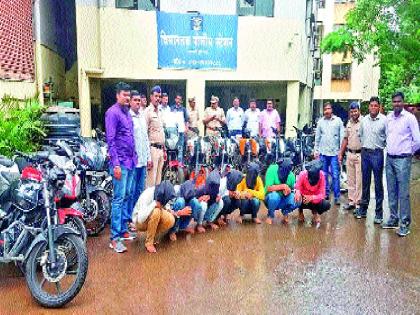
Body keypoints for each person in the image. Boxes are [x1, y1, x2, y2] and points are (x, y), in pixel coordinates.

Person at [105, 82, 137, 253]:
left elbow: (130, 137)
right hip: (120, 164)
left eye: (128, 95)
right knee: (118, 199)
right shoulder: (112, 113)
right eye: (124, 95)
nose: (127, 98)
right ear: (117, 95)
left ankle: (123, 229)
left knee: (127, 196)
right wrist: (116, 164)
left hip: (131, 162)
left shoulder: (128, 114)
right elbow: (110, 141)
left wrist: (136, 156)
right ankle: (114, 238)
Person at [382, 92, 420, 236]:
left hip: (403, 160)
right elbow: (387, 135)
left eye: (399, 101)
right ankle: (393, 218)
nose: (396, 104)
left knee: (403, 193)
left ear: (403, 102)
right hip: (390, 159)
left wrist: (407, 152)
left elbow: (417, 140)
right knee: (391, 190)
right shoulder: (389, 118)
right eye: (394, 101)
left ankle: (405, 223)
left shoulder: (409, 118)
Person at [354, 97, 387, 223]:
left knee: (378, 184)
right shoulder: (364, 120)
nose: (373, 108)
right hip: (365, 153)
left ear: (379, 107)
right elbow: (361, 135)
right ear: (368, 107)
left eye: (375, 105)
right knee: (365, 182)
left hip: (377, 154)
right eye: (371, 105)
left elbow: (387, 137)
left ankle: (379, 214)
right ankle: (363, 210)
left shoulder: (384, 121)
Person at [132, 181, 184, 253]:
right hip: (139, 222)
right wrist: (154, 204)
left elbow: (166, 207)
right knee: (156, 211)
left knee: (171, 219)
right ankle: (149, 243)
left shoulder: (161, 194)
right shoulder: (148, 194)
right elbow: (140, 219)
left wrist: (176, 213)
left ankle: (154, 236)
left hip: (150, 216)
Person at [127, 91, 152, 233]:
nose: (137, 102)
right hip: (133, 162)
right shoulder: (128, 117)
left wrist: (148, 158)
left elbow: (145, 139)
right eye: (135, 100)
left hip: (142, 162)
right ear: (130, 102)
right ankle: (129, 220)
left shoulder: (142, 117)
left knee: (139, 192)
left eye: (139, 100)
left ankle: (136, 219)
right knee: (129, 193)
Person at [314, 102, 344, 205]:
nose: (327, 111)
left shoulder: (338, 121)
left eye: (328, 109)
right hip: (323, 153)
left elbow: (342, 138)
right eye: (325, 109)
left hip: (334, 153)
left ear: (332, 110)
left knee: (335, 175)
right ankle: (325, 193)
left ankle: (337, 196)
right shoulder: (320, 122)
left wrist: (341, 152)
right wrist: (316, 150)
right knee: (324, 174)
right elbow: (317, 138)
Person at [339, 102, 362, 211]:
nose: (353, 113)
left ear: (359, 111)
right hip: (350, 154)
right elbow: (345, 139)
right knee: (351, 179)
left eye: (355, 111)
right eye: (352, 111)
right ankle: (351, 201)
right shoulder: (348, 123)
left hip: (360, 155)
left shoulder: (363, 123)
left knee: (359, 180)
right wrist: (341, 153)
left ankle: (358, 203)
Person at [264, 158, 301, 225]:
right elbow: (268, 188)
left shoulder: (291, 176)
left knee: (298, 200)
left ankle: (285, 212)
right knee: (274, 196)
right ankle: (270, 215)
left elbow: (293, 189)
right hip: (270, 199)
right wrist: (283, 186)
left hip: (283, 198)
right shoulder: (272, 169)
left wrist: (290, 191)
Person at [295, 160, 331, 226]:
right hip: (303, 198)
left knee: (326, 204)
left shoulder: (322, 175)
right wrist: (298, 192)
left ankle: (315, 212)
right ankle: (300, 211)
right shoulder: (302, 174)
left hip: (314, 199)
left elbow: (322, 195)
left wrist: (311, 197)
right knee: (296, 198)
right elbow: (297, 186)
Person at [145, 86, 165, 187]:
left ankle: (156, 202)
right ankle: (148, 202)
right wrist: (148, 156)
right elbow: (145, 134)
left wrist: (164, 150)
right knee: (151, 181)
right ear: (151, 97)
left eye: (159, 96)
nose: (158, 98)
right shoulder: (147, 112)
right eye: (156, 96)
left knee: (158, 181)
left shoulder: (160, 112)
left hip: (161, 149)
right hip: (152, 149)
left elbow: (162, 131)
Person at [171, 93, 189, 164]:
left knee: (180, 150)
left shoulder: (183, 109)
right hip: (173, 133)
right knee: (173, 149)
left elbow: (186, 121)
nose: (178, 100)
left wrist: (186, 129)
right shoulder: (172, 108)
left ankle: (180, 166)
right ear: (175, 99)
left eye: (180, 99)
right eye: (177, 99)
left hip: (181, 133)